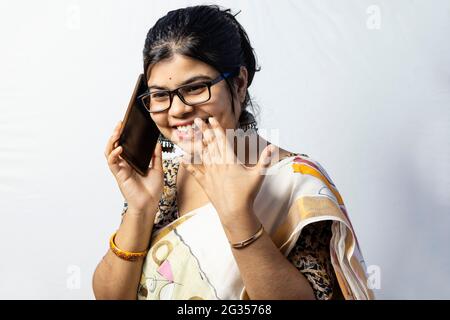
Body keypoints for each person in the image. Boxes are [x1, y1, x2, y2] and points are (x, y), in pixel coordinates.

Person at [93, 4, 374, 300]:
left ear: (239, 84)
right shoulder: (162, 181)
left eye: (196, 88)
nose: (177, 110)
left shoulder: (296, 184)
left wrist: (237, 216)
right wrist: (139, 210)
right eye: (160, 95)